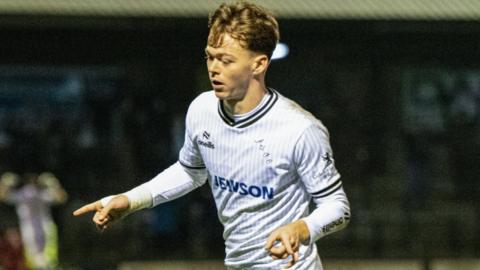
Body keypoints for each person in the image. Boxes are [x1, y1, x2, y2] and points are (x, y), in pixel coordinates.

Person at [73, 1, 350, 269]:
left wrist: (302, 228)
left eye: (226, 60)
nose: (214, 68)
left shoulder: (300, 129)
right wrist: (132, 200)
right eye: (210, 56)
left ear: (259, 64)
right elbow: (191, 171)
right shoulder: (202, 109)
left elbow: (338, 207)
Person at [0, 172, 68, 270]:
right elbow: (2, 196)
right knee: (32, 260)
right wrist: (4, 184)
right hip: (28, 230)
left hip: (46, 228)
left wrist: (54, 184)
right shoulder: (22, 194)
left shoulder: (41, 194)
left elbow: (61, 198)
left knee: (49, 260)